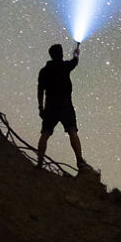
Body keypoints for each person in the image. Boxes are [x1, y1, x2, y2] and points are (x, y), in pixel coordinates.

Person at [37, 41, 91, 172]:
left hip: (50, 106)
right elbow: (74, 62)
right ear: (60, 54)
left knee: (45, 133)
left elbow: (40, 90)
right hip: (65, 105)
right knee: (72, 132)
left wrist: (41, 108)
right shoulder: (64, 66)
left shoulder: (44, 71)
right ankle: (80, 161)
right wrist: (76, 53)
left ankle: (39, 162)